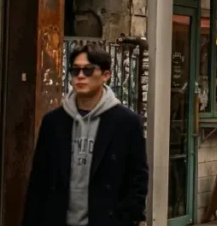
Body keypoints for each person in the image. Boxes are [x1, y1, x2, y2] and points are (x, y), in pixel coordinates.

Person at [24, 44, 148, 226]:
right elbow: (39, 180)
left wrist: (127, 218)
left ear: (106, 75)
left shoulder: (126, 123)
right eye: (75, 71)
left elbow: (137, 179)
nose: (80, 76)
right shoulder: (53, 122)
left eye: (88, 71)